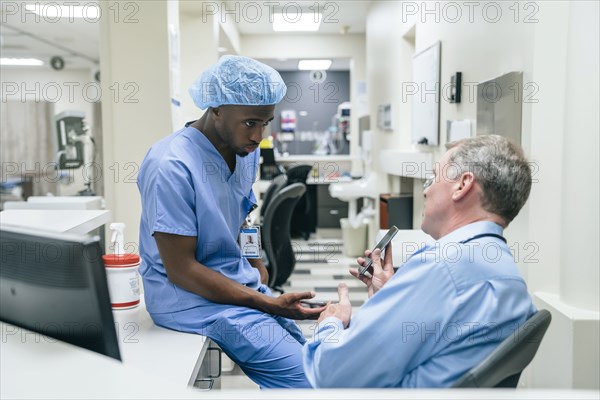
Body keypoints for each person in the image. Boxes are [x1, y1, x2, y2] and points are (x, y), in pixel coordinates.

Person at [137, 55, 326, 388]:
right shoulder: (171, 165)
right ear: (217, 108)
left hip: (237, 287)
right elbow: (181, 270)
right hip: (189, 300)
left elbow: (242, 217)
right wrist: (264, 300)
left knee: (316, 360)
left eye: (265, 123)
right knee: (307, 381)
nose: (258, 136)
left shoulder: (244, 153)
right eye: (250, 122)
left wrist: (256, 262)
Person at [302, 135, 537, 387]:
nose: (426, 190)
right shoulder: (508, 275)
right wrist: (393, 297)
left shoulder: (443, 266)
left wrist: (330, 323)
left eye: (434, 178)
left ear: (463, 185)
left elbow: (335, 375)